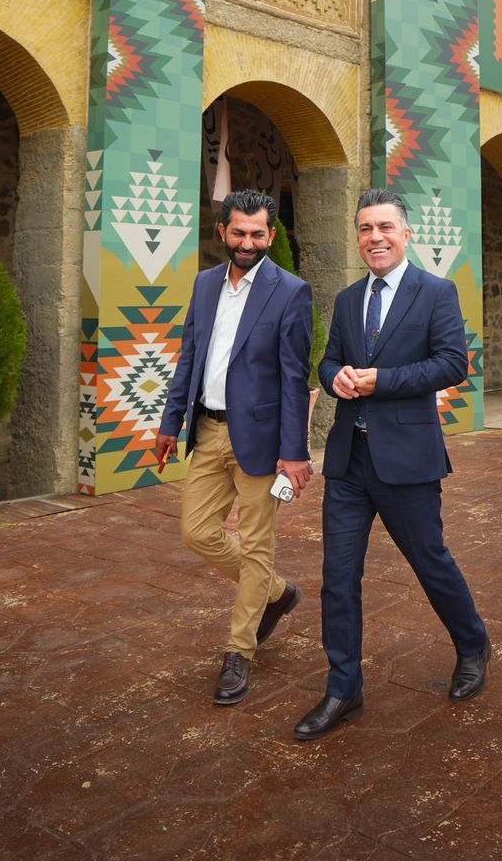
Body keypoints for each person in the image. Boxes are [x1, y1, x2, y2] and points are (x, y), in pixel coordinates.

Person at [292, 189, 491, 740]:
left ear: (405, 234)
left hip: (407, 459)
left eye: (384, 227)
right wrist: (334, 376)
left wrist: (381, 381)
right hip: (348, 462)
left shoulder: (436, 291)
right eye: (365, 228)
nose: (374, 237)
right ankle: (343, 688)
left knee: (430, 562)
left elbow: (452, 363)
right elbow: (330, 358)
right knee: (338, 578)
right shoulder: (347, 298)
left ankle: (473, 643)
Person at [155, 189, 314, 706]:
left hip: (262, 441)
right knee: (197, 531)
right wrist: (170, 422)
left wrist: (294, 451)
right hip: (208, 431)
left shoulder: (291, 291)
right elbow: (189, 357)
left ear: (271, 234)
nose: (248, 242)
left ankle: (239, 651)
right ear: (223, 231)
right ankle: (276, 592)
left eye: (258, 233)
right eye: (239, 232)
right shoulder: (205, 284)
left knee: (257, 544)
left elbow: (294, 379)